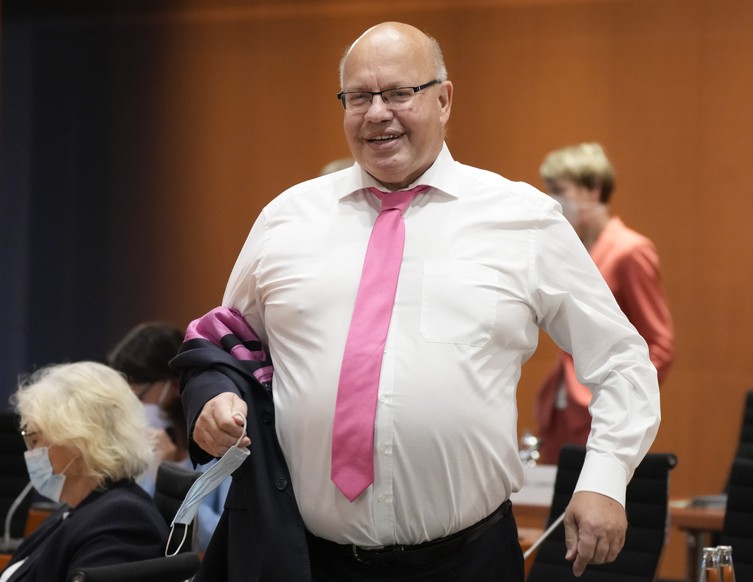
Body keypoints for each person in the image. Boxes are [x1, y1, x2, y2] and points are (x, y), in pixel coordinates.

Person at [176, 22, 660, 581]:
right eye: (359, 96)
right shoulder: (287, 218)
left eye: (399, 93)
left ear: (444, 99)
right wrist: (213, 399)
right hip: (312, 561)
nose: (377, 113)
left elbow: (622, 361)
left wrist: (604, 478)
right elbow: (225, 347)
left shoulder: (522, 219)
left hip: (468, 561)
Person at [534, 143, 675, 465]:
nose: (552, 199)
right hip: (562, 410)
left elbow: (661, 345)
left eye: (559, 190)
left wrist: (619, 403)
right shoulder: (576, 247)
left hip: (598, 410)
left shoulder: (630, 250)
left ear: (593, 189)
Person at [0, 362, 168, 581]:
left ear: (77, 441)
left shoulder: (122, 520)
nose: (30, 452)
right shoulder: (74, 509)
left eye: (34, 439)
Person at [107, 321, 229, 552]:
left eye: (138, 397)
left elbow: (219, 539)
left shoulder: (221, 440)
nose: (132, 409)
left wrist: (174, 478)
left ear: (173, 386)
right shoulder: (146, 445)